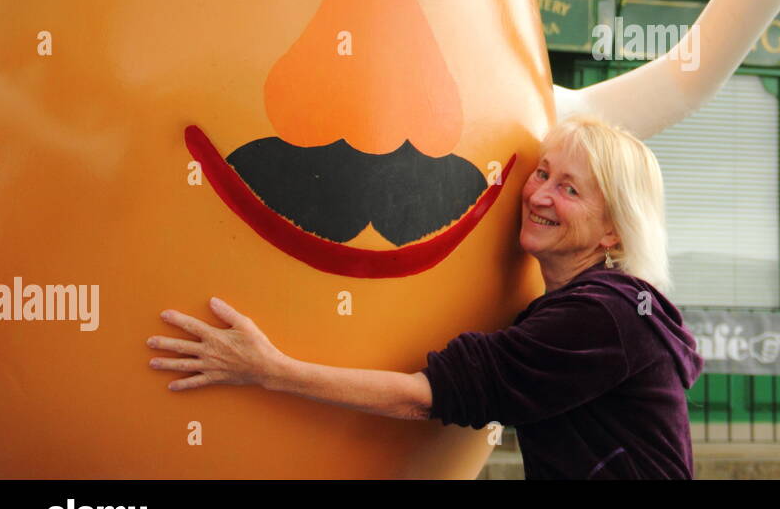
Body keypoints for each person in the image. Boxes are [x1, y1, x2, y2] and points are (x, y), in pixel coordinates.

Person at [146, 114, 704, 479]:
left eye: (570, 188)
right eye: (542, 173)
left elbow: (427, 396)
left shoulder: (605, 315)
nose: (538, 194)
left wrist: (268, 369)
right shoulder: (592, 308)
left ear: (613, 233)